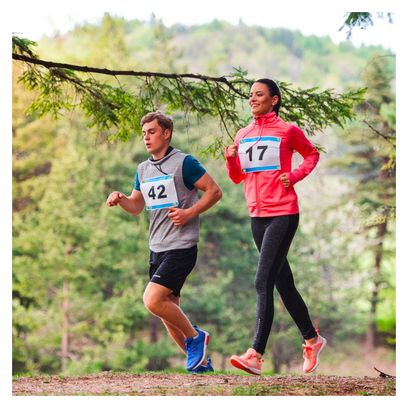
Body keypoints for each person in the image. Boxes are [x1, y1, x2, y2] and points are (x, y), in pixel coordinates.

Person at [107, 111, 222, 373]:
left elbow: (215, 191)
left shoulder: (185, 163)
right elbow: (137, 206)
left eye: (152, 131)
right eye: (144, 133)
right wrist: (120, 198)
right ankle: (201, 365)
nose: (146, 137)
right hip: (156, 247)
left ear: (166, 133)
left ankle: (197, 337)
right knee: (168, 310)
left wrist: (190, 212)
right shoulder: (143, 169)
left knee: (152, 300)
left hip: (181, 246)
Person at [225, 79, 327, 375]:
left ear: (274, 100)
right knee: (283, 282)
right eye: (250, 95)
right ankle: (312, 338)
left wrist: (293, 176)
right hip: (257, 215)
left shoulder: (287, 131)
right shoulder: (243, 134)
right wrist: (230, 160)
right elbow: (237, 177)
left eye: (258, 95)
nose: (252, 99)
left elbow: (312, 154)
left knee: (262, 280)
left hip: (283, 212)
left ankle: (255, 354)